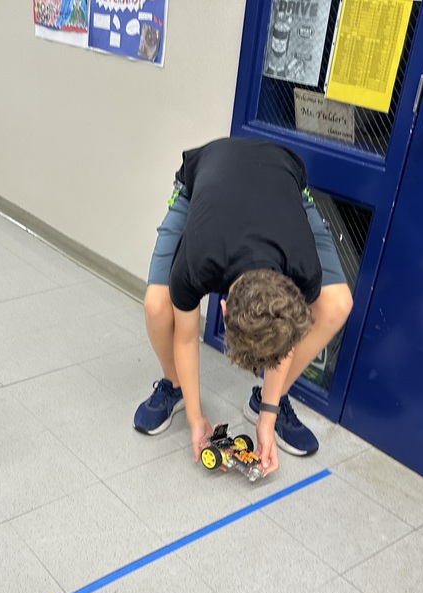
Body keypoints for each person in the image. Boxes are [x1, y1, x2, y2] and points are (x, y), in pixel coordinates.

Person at [133, 137, 353, 475]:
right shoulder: (195, 263)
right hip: (204, 177)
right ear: (221, 309)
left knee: (338, 302)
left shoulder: (304, 269)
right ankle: (173, 386)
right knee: (158, 305)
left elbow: (285, 336)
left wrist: (267, 414)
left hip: (282, 178)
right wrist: (196, 420)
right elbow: (187, 337)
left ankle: (271, 401)